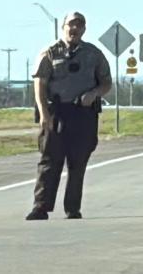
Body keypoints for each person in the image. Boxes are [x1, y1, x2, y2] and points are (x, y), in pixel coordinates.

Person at [26, 12, 112, 221]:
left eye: (79, 25)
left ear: (84, 29)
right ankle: (41, 207)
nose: (74, 29)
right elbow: (39, 84)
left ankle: (72, 208)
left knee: (78, 163)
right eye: (71, 25)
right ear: (63, 27)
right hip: (56, 112)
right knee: (49, 161)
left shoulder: (94, 54)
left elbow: (106, 83)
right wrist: (44, 114)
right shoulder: (49, 53)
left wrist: (94, 94)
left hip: (83, 115)